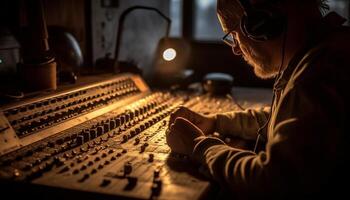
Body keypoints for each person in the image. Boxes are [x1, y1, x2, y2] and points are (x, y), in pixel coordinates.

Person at [166, 0, 350, 198]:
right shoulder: (322, 54)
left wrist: (199, 146)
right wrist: (216, 122)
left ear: (260, 22)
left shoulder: (319, 74)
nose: (235, 48)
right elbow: (282, 121)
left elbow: (274, 180)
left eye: (234, 33)